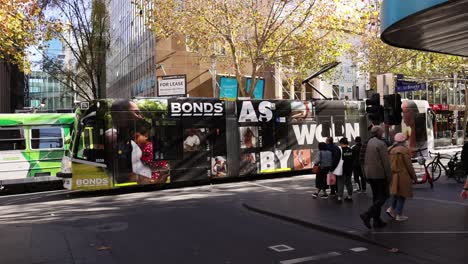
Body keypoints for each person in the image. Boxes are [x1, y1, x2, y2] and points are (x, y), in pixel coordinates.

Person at [360, 126, 392, 229]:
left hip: (369, 174)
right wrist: (389, 176)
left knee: (376, 197)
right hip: (379, 174)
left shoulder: (366, 143)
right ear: (378, 133)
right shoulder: (380, 143)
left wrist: (365, 174)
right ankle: (367, 214)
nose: (382, 133)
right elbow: (386, 162)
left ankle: (376, 221)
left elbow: (361, 159)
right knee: (384, 196)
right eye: (381, 132)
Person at [107, 99, 143, 184]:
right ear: (119, 116)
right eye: (136, 113)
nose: (140, 116)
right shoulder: (112, 137)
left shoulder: (128, 137)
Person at [386, 133, 416, 221]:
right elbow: (409, 165)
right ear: (403, 140)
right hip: (403, 175)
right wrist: (414, 177)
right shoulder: (404, 150)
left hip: (393, 175)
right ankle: (399, 215)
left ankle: (391, 209)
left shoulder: (391, 150)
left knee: (396, 194)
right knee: (402, 195)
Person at [335, 137, 353, 202]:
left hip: (342, 169)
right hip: (349, 169)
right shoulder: (350, 150)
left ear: (342, 143)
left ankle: (339, 198)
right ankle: (350, 196)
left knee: (340, 183)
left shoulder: (340, 150)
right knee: (349, 183)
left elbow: (336, 160)